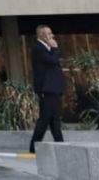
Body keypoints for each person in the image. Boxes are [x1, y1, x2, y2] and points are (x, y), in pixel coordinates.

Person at [29, 25, 65, 154]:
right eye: (49, 34)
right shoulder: (38, 48)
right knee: (44, 119)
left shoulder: (47, 49)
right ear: (42, 36)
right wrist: (55, 48)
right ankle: (33, 147)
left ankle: (60, 146)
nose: (52, 36)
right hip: (46, 89)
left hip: (53, 89)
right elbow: (52, 60)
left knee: (55, 119)